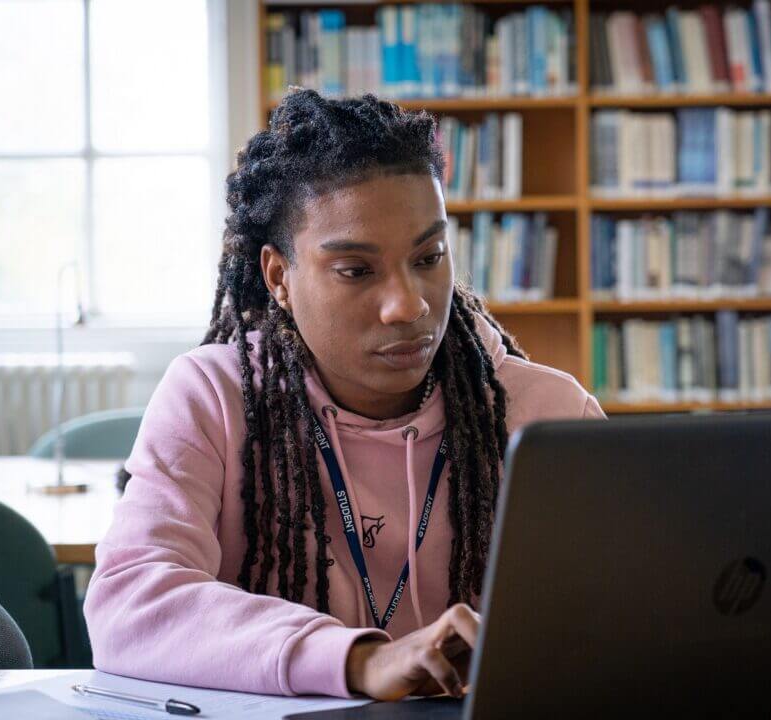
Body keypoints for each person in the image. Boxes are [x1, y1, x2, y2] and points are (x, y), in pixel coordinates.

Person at [84, 89, 604, 701]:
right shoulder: (213, 399)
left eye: (429, 256)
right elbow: (130, 602)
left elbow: (641, 600)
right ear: (279, 276)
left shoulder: (548, 415)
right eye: (356, 271)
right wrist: (355, 660)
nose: (408, 305)